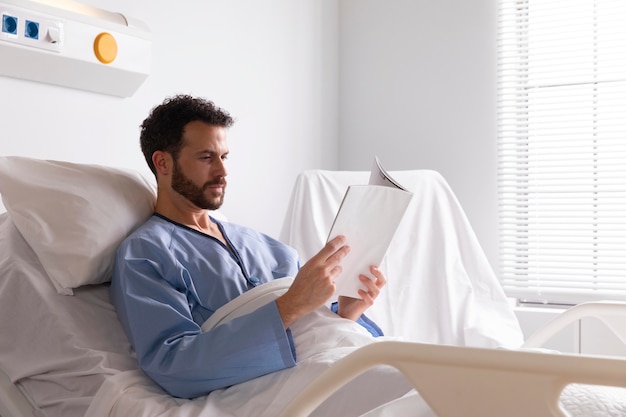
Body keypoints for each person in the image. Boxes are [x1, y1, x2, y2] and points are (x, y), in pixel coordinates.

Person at [110, 94, 388, 400]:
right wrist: (289, 305)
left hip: (338, 361)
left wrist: (346, 313)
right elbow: (173, 366)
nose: (222, 172)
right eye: (206, 157)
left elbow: (315, 332)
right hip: (279, 387)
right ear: (163, 162)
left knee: (420, 375)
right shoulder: (146, 254)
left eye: (224, 157)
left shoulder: (271, 249)